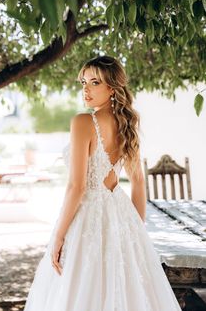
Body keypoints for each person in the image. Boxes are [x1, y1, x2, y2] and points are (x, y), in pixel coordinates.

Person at [23, 56, 182, 311]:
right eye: (83, 82)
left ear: (112, 87)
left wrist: (59, 236)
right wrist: (136, 231)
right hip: (120, 212)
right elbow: (138, 183)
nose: (85, 89)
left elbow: (77, 186)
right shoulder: (128, 123)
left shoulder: (83, 122)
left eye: (94, 82)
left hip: (87, 215)